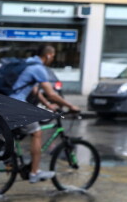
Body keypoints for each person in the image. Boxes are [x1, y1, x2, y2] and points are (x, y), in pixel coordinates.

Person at [10, 44, 80, 183]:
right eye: (53, 56)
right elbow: (51, 94)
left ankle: (9, 159)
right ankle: (34, 172)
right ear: (48, 55)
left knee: (23, 132)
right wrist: (70, 106)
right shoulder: (39, 68)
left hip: (7, 103)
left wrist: (47, 105)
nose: (52, 59)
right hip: (16, 105)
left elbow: (34, 90)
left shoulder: (28, 64)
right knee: (37, 132)